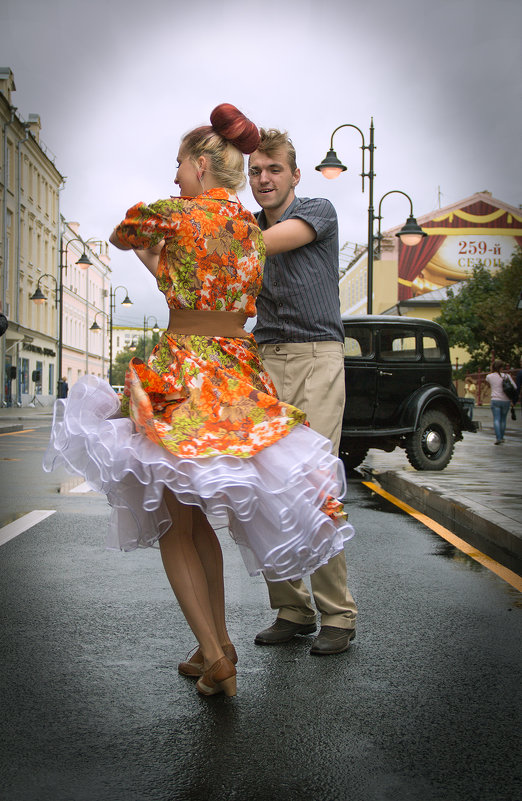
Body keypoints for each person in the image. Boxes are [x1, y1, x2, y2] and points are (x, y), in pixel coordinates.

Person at [44, 105, 354, 698]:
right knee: (198, 515)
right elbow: (206, 271)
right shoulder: (246, 229)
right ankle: (220, 644)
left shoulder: (174, 216)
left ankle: (216, 655)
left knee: (175, 521)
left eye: (180, 164)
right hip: (239, 372)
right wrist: (175, 264)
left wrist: (164, 248)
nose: (175, 176)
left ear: (204, 164)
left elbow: (123, 232)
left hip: (184, 370)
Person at [248, 128, 358, 656]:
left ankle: (338, 615)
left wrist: (210, 240)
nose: (263, 178)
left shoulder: (318, 210)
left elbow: (271, 242)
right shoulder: (244, 227)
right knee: (265, 488)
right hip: (266, 359)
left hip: (318, 356)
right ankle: (293, 609)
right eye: (254, 171)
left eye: (273, 170)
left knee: (313, 483)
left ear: (293, 174)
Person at [485, 359, 517, 444]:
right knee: (503, 420)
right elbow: (515, 387)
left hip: (495, 400)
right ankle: (502, 437)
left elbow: (488, 383)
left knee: (496, 419)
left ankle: (498, 438)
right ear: (502, 367)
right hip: (506, 400)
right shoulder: (507, 376)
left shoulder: (489, 376)